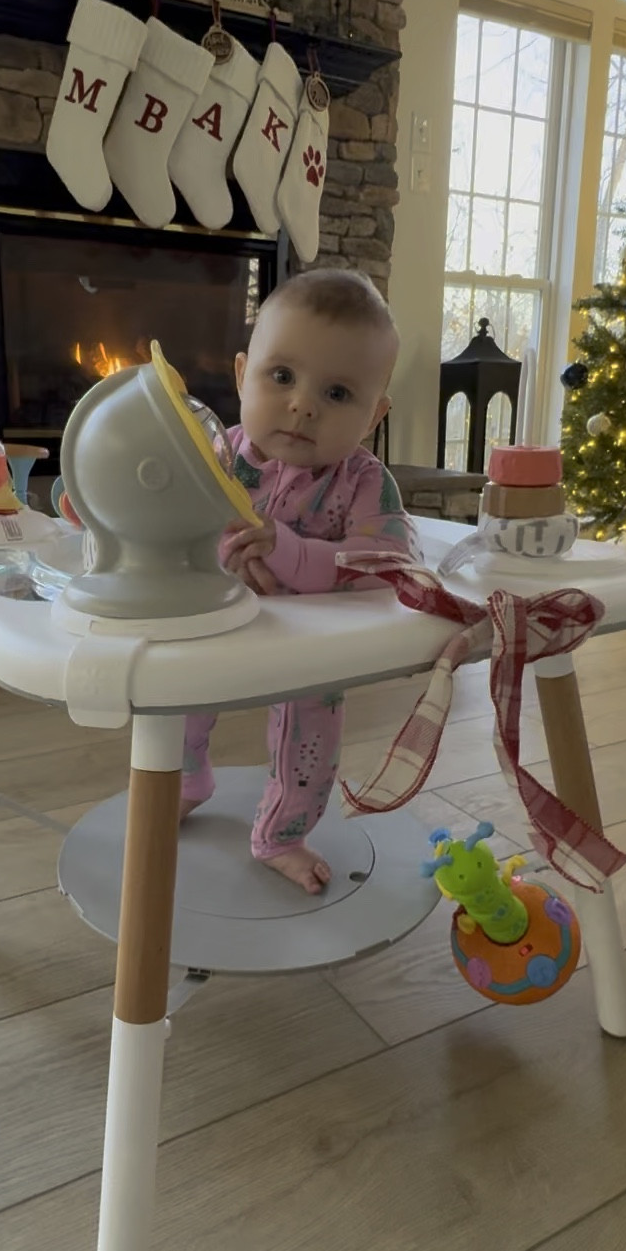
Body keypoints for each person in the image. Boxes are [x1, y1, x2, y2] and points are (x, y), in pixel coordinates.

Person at [181, 268, 421, 893]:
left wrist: (289, 552)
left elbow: (386, 562)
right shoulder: (214, 456)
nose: (303, 405)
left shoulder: (364, 481)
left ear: (374, 415)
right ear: (242, 375)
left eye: (338, 393)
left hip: (312, 647)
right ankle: (185, 779)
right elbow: (168, 519)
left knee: (310, 736)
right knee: (175, 698)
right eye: (282, 376)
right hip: (215, 619)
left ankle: (282, 834)